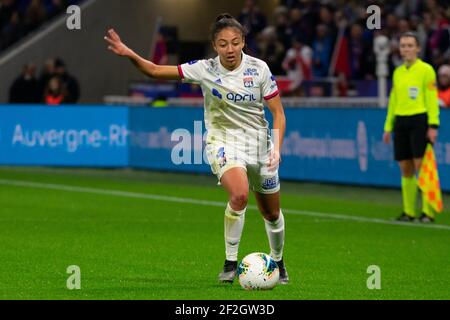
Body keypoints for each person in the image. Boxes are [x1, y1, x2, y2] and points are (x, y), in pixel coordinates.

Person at [104, 13, 289, 284]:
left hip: (260, 146)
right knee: (239, 196)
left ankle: (279, 261)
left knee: (272, 214)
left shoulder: (259, 69)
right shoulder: (204, 69)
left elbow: (279, 114)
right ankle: (229, 263)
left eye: (235, 43)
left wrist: (277, 148)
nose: (230, 49)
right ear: (214, 45)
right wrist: (129, 53)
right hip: (223, 143)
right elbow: (155, 70)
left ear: (243, 42)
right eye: (223, 44)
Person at [383, 32, 440, 223]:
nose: (406, 49)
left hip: (419, 120)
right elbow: (393, 100)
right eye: (403, 45)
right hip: (401, 121)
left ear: (418, 48)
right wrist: (388, 126)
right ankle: (409, 212)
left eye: (409, 45)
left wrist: (433, 125)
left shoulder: (426, 70)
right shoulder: (398, 72)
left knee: (422, 166)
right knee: (405, 167)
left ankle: (428, 212)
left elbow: (432, 100)